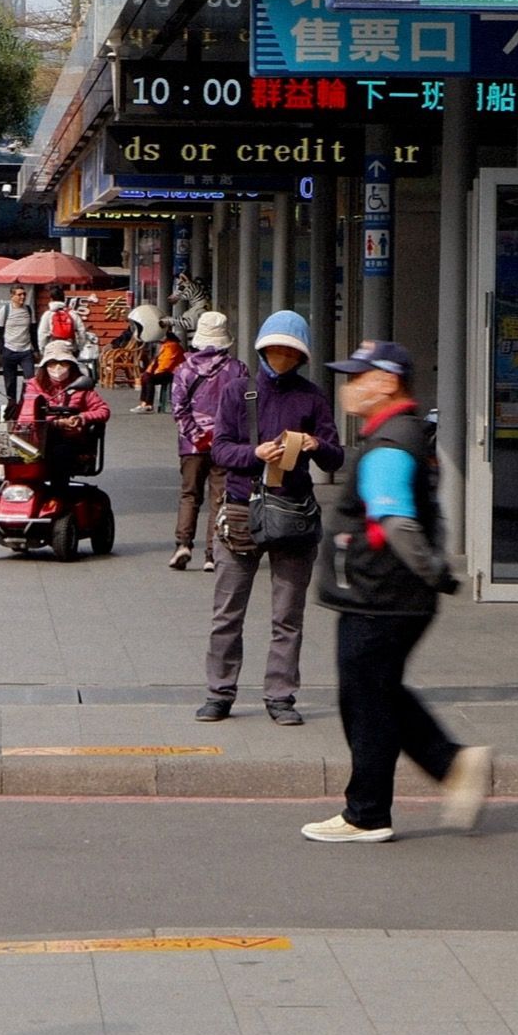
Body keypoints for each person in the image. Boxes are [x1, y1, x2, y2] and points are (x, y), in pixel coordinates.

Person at [302, 340, 491, 843]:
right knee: (378, 696)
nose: (347, 387)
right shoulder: (399, 435)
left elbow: (396, 521)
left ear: (386, 382)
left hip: (381, 596)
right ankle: (447, 768)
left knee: (365, 702)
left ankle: (367, 813)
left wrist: (434, 574)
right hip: (384, 594)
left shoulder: (388, 446)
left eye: (357, 377)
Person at [199, 310, 344, 726]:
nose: (281, 356)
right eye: (275, 349)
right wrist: (256, 453)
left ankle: (281, 696)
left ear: (301, 356)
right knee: (228, 612)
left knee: (288, 615)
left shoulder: (312, 396)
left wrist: (315, 445)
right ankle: (219, 693)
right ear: (262, 348)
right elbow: (220, 451)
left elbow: (336, 455)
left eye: (290, 351)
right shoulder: (236, 391)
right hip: (243, 508)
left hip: (293, 511)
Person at [170, 311, 243, 571]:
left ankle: (183, 545)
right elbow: (243, 408)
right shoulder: (237, 369)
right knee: (219, 498)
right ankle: (212, 554)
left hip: (191, 445)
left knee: (189, 495)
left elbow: (178, 409)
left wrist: (197, 436)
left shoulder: (184, 369)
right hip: (225, 444)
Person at [16, 340, 112, 472]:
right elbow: (28, 413)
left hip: (70, 439)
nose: (57, 367)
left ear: (71, 364)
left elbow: (103, 410)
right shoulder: (34, 385)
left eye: (63, 363)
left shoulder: (80, 384)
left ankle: (58, 489)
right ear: (46, 365)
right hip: (39, 437)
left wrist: (81, 417)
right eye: (52, 363)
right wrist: (57, 422)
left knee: (61, 452)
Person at [0, 285, 39, 410]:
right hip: (9, 349)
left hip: (25, 350)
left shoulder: (28, 310)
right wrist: (1, 351)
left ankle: (24, 402)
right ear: (12, 296)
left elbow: (32, 331)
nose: (22, 297)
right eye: (19, 294)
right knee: (10, 382)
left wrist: (35, 349)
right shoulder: (5, 310)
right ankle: (12, 404)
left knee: (30, 378)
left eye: (24, 294)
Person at [135, 328, 185, 414]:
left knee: (149, 378)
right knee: (146, 377)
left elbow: (166, 364)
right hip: (165, 371)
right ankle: (144, 403)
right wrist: (149, 371)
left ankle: (148, 404)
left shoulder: (172, 347)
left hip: (172, 373)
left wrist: (154, 372)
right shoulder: (167, 346)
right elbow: (157, 361)